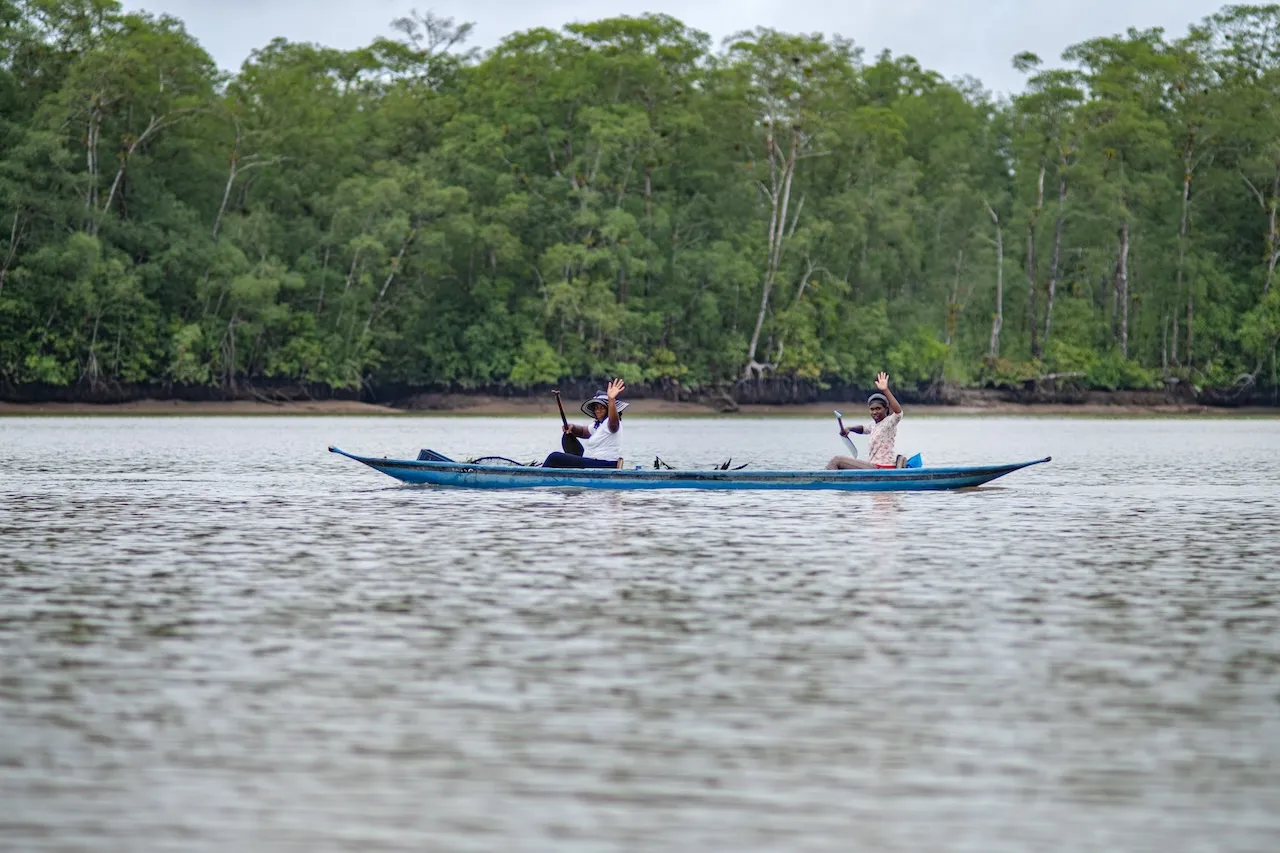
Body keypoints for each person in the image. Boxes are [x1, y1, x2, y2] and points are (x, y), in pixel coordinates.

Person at [826, 372, 906, 470]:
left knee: (837, 460)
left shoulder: (889, 422)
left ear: (886, 409)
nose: (875, 412)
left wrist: (885, 390)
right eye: (872, 409)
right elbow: (863, 429)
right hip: (874, 466)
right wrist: (849, 429)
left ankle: (821, 482)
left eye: (878, 408)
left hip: (883, 467)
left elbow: (898, 412)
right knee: (839, 464)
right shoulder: (874, 425)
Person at [542, 378, 627, 469]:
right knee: (567, 437)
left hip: (605, 464)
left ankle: (539, 474)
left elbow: (613, 423)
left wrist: (611, 400)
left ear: (608, 409)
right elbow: (583, 431)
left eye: (602, 408)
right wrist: (573, 427)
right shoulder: (598, 425)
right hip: (592, 462)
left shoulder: (612, 424)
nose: (598, 410)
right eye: (596, 408)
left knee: (554, 457)